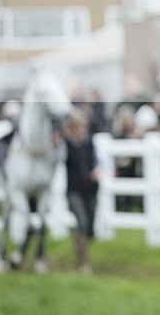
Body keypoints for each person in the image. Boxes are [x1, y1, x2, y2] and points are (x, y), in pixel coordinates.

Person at [62, 108, 101, 273]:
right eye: (77, 127)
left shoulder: (89, 142)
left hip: (90, 189)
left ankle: (80, 245)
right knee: (82, 222)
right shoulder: (67, 145)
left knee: (90, 226)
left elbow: (96, 161)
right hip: (74, 190)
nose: (80, 130)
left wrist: (97, 171)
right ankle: (83, 263)